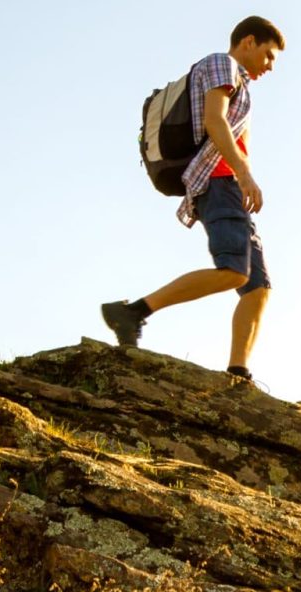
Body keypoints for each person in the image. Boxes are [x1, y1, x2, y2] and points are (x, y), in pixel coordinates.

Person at [101, 16, 283, 381]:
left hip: (228, 183)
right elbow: (215, 123)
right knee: (234, 270)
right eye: (268, 55)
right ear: (248, 41)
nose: (270, 66)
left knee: (257, 286)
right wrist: (244, 176)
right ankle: (135, 311)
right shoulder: (223, 63)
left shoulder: (240, 84)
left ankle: (237, 372)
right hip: (218, 182)